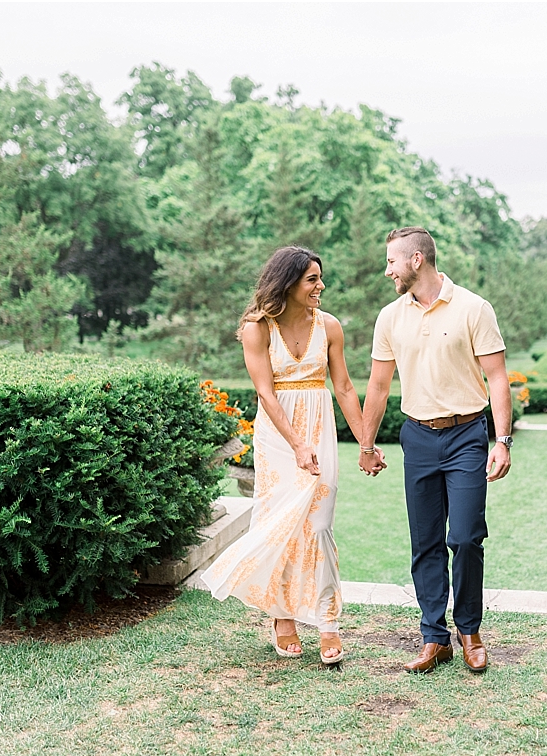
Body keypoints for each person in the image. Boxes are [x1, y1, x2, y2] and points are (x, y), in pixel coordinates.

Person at [200, 245, 378, 666]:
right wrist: (297, 444)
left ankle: (328, 621)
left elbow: (346, 388)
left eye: (320, 278)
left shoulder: (330, 327)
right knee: (277, 523)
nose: (321, 286)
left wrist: (366, 445)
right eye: (312, 279)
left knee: (318, 525)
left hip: (321, 431)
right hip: (279, 437)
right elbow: (265, 391)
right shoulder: (256, 328)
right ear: (289, 283)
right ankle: (282, 619)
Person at [358, 227, 512, 674]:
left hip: (467, 435)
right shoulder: (389, 317)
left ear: (416, 260)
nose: (387, 271)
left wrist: (501, 441)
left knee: (464, 537)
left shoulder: (473, 308)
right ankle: (433, 637)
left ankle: (470, 630)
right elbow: (379, 385)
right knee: (425, 542)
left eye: (392, 262)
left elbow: (497, 378)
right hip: (418, 438)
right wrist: (367, 444)